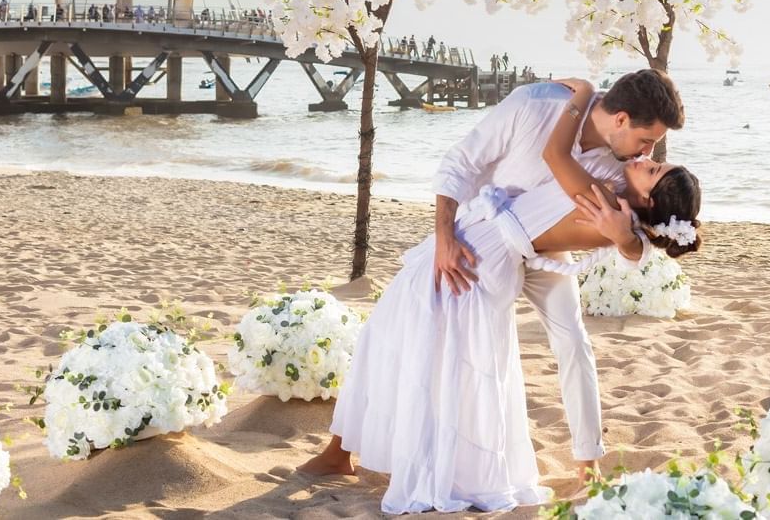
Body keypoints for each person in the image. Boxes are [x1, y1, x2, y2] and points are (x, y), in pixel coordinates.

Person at [299, 75, 699, 514]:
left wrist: (625, 238)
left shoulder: (618, 178)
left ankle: (588, 462)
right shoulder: (536, 105)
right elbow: (460, 165)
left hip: (528, 251)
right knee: (394, 330)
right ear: (620, 118)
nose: (647, 153)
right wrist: (445, 235)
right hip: (483, 235)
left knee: (569, 344)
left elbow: (640, 234)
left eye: (653, 154)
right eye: (647, 143)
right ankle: (342, 450)